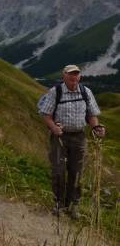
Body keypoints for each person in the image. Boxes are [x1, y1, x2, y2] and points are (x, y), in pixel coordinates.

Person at [38, 64, 104, 220]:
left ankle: (73, 205)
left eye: (76, 74)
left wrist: (96, 127)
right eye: (70, 74)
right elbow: (46, 114)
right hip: (60, 137)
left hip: (79, 137)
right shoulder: (56, 92)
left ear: (79, 76)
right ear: (64, 76)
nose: (74, 77)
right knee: (59, 171)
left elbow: (92, 115)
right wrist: (54, 127)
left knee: (77, 172)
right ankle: (59, 204)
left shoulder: (86, 92)